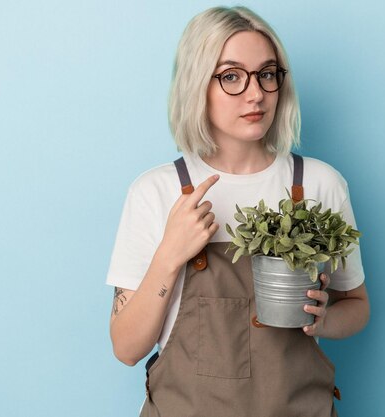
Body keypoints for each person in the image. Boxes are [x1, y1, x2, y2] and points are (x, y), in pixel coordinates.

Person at [106, 6, 370, 417]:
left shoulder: (319, 184)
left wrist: (323, 322)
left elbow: (357, 305)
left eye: (267, 74)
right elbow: (126, 348)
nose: (256, 94)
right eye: (231, 76)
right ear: (197, 84)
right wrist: (170, 254)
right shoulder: (156, 192)